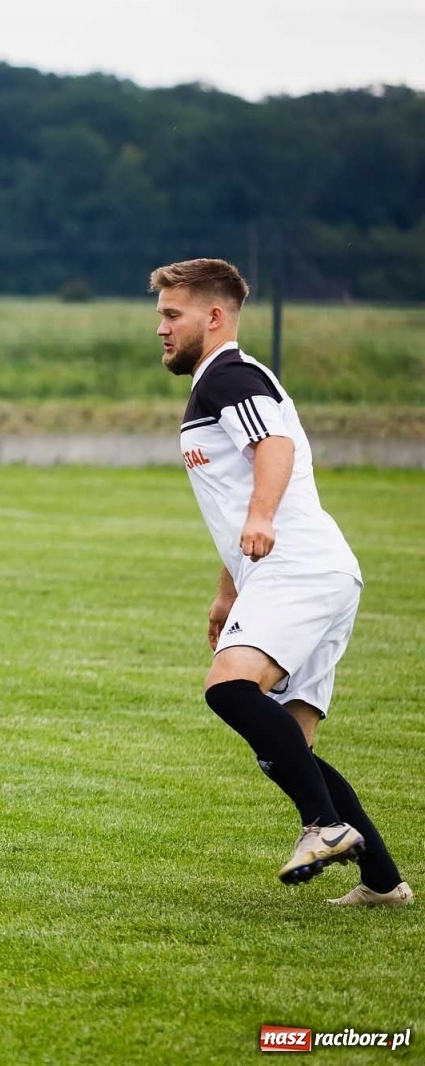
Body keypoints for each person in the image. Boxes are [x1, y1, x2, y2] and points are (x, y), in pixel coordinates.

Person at [151, 258, 409, 906]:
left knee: (230, 687)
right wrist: (229, 589)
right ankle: (382, 883)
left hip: (297, 566)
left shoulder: (228, 375)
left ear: (214, 317)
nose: (161, 328)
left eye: (171, 314)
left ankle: (324, 826)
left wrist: (263, 518)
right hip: (308, 569)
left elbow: (275, 451)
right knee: (287, 749)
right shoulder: (224, 382)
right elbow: (238, 493)